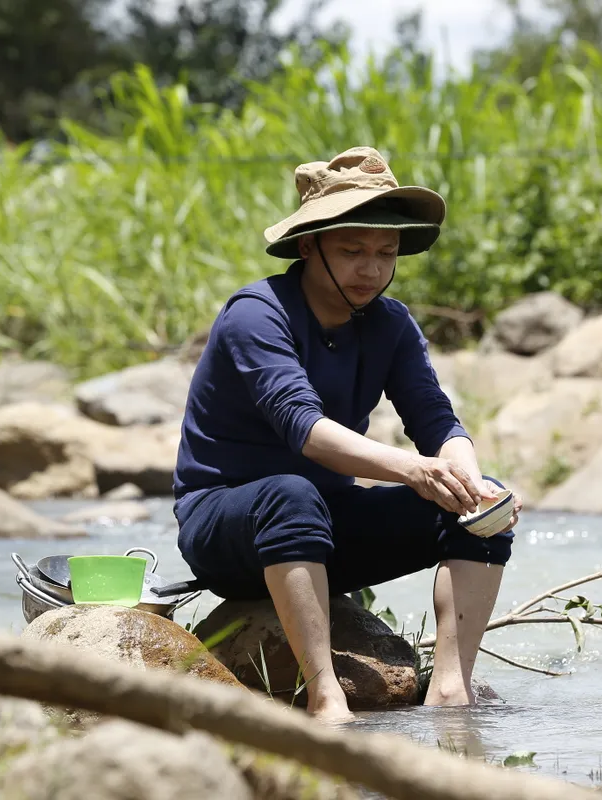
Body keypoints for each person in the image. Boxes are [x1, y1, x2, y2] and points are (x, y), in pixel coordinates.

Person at [172, 146, 522, 723]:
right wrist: (413, 470)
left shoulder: (392, 324)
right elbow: (303, 429)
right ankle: (326, 696)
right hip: (225, 528)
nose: (372, 269)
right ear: (310, 246)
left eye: (386, 253)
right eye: (353, 251)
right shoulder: (256, 314)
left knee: (480, 507)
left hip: (324, 527)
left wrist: (468, 480)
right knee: (291, 492)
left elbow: (436, 421)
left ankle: (451, 693)